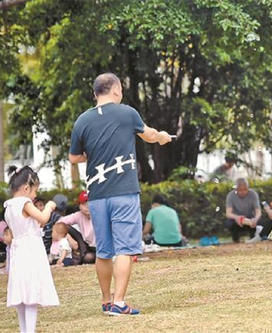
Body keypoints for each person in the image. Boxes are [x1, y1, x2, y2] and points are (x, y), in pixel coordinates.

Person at [69, 72, 172, 316]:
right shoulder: (127, 113)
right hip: (124, 192)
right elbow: (149, 135)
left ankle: (106, 301)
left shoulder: (82, 120)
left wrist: (92, 156)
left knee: (103, 250)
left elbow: (73, 157)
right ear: (116, 90)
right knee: (125, 248)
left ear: (95, 94)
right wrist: (162, 138)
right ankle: (119, 302)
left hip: (96, 195)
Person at [3, 166, 59, 332]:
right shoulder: (25, 202)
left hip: (18, 249)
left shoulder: (9, 206)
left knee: (21, 293)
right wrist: (48, 207)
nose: (35, 195)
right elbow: (43, 218)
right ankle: (30, 330)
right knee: (31, 293)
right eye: (35, 191)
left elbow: (29, 224)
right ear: (26, 188)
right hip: (31, 249)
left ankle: (23, 330)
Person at [59, 190, 96, 264]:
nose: (87, 206)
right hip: (88, 246)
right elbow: (59, 221)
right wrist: (69, 238)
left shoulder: (100, 213)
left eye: (89, 203)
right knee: (65, 226)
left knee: (89, 258)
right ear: (79, 206)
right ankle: (80, 256)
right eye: (83, 204)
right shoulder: (78, 215)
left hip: (103, 246)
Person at [224, 178, 262, 243]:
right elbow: (228, 213)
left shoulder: (253, 194)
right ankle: (235, 240)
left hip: (250, 218)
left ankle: (253, 238)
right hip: (236, 219)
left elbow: (258, 211)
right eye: (240, 190)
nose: (243, 192)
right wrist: (237, 217)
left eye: (245, 189)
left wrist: (255, 219)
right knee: (229, 223)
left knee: (259, 221)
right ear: (236, 189)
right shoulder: (231, 195)